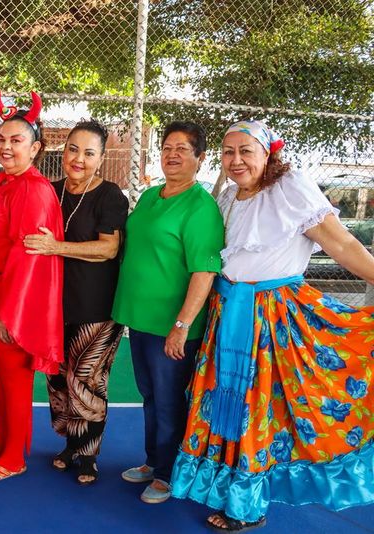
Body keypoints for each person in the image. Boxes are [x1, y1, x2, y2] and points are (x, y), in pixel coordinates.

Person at [171, 120, 374, 531]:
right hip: (227, 314)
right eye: (229, 152)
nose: (237, 160)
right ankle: (229, 490)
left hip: (271, 319)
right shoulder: (228, 197)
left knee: (258, 408)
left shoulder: (290, 189)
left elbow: (342, 243)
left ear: (268, 154)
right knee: (227, 404)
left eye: (246, 150)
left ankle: (247, 506)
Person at [112, 121, 225, 503]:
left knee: (169, 399)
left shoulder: (201, 207)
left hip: (171, 326)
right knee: (149, 394)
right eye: (167, 147)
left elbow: (204, 270)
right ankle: (153, 460)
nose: (172, 154)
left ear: (200, 158)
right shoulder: (149, 197)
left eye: (183, 148)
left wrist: (182, 324)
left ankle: (168, 473)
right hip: (141, 321)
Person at [0, 91, 64, 482]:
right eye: (1, 139)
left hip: (9, 303)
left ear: (35, 147)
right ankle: (4, 444)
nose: (6, 147)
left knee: (16, 381)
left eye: (16, 140)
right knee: (5, 380)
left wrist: (11, 314)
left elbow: (28, 257)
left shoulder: (31, 189)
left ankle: (14, 458)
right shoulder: (4, 182)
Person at [23, 120, 129, 485]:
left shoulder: (110, 195)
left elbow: (108, 247)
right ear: (62, 151)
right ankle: (71, 444)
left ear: (101, 158)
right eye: (73, 149)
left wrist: (57, 247)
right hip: (54, 309)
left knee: (86, 379)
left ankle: (88, 455)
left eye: (88, 153)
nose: (78, 159)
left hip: (97, 309)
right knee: (58, 380)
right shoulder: (50, 192)